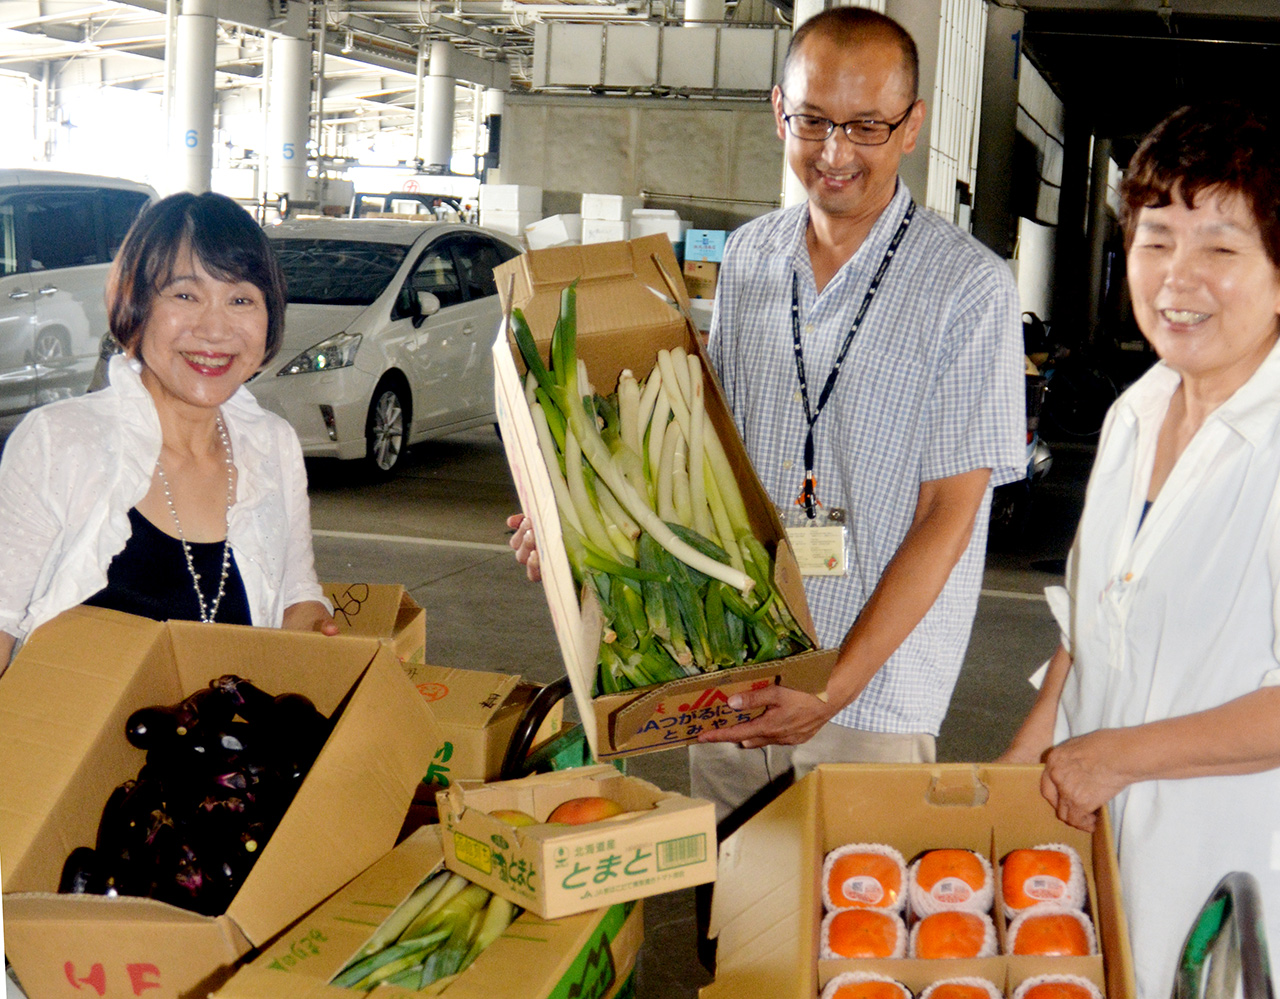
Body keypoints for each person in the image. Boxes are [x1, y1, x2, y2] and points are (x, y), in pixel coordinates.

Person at [511, 8, 1023, 825]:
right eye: (814, 120)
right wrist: (572, 519)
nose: (835, 152)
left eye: (866, 126)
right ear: (779, 109)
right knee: (736, 929)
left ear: (912, 126)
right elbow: (704, 455)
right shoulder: (748, 259)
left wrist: (835, 685)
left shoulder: (968, 289)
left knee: (849, 943)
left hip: (875, 701)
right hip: (733, 671)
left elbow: (950, 512)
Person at [1000, 101, 1280, 999]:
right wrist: (1005, 785)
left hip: (1233, 898)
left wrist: (1120, 755)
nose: (1177, 278)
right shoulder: (1135, 412)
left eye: (1221, 249)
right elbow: (1089, 633)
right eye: (1157, 240)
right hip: (1098, 875)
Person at [0, 190, 336, 675]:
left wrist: (317, 631)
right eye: (185, 295)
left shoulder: (272, 444)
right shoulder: (59, 442)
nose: (215, 329)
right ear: (135, 306)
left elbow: (296, 596)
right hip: (72, 741)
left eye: (241, 299)